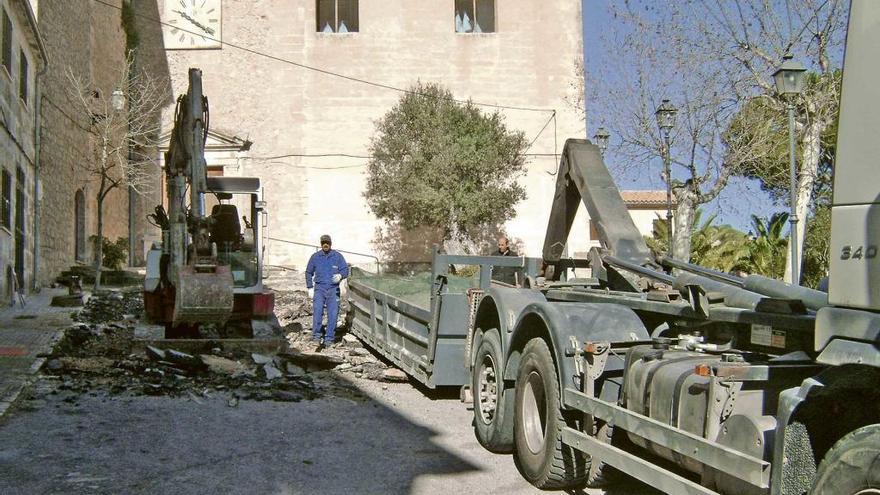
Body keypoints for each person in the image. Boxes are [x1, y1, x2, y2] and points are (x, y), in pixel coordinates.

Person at [305, 234, 349, 350]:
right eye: (323, 243)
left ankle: (329, 339)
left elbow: (345, 270)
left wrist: (340, 275)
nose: (325, 245)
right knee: (318, 312)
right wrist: (310, 287)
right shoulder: (315, 257)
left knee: (333, 314)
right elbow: (308, 272)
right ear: (321, 244)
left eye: (327, 243)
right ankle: (316, 337)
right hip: (319, 289)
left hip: (333, 289)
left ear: (330, 244)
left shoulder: (337, 256)